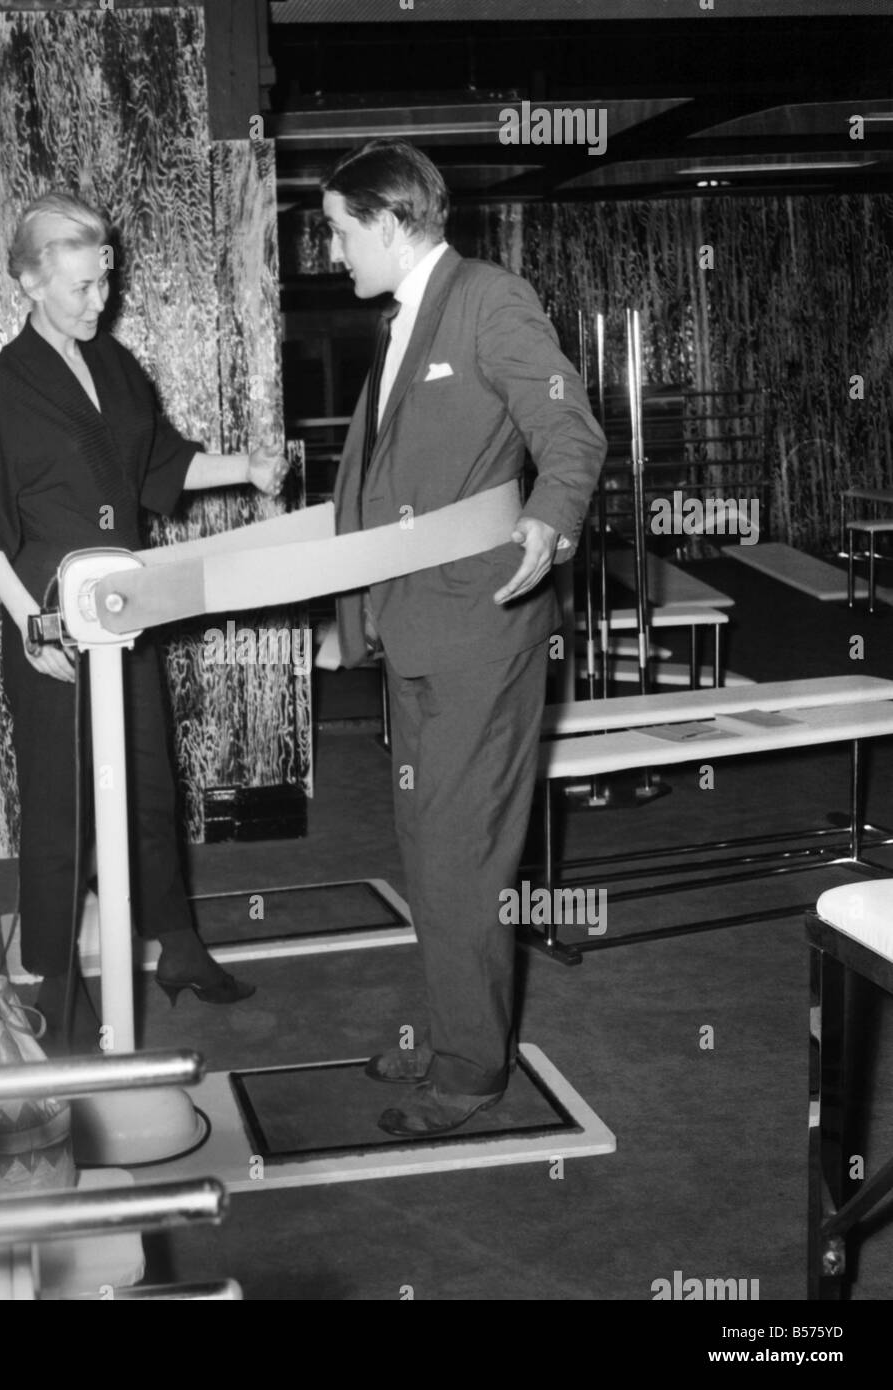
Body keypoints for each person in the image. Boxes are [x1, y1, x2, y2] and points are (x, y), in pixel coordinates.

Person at [0, 192, 285, 1048]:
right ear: (29, 282)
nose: (101, 301)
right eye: (82, 287)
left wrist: (253, 465)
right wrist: (31, 625)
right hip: (53, 627)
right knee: (61, 810)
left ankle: (179, 945)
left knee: (149, 785)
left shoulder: (118, 366)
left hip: (126, 614)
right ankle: (55, 988)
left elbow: (161, 464)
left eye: (105, 282)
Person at [321, 139, 607, 1135]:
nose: (330, 251)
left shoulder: (489, 298)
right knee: (427, 848)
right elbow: (380, 485)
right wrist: (347, 616)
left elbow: (571, 429)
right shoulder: (403, 322)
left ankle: (469, 1072)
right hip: (415, 634)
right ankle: (450, 1030)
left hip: (481, 636)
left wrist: (551, 515)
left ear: (390, 221)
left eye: (338, 228)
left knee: (463, 856)